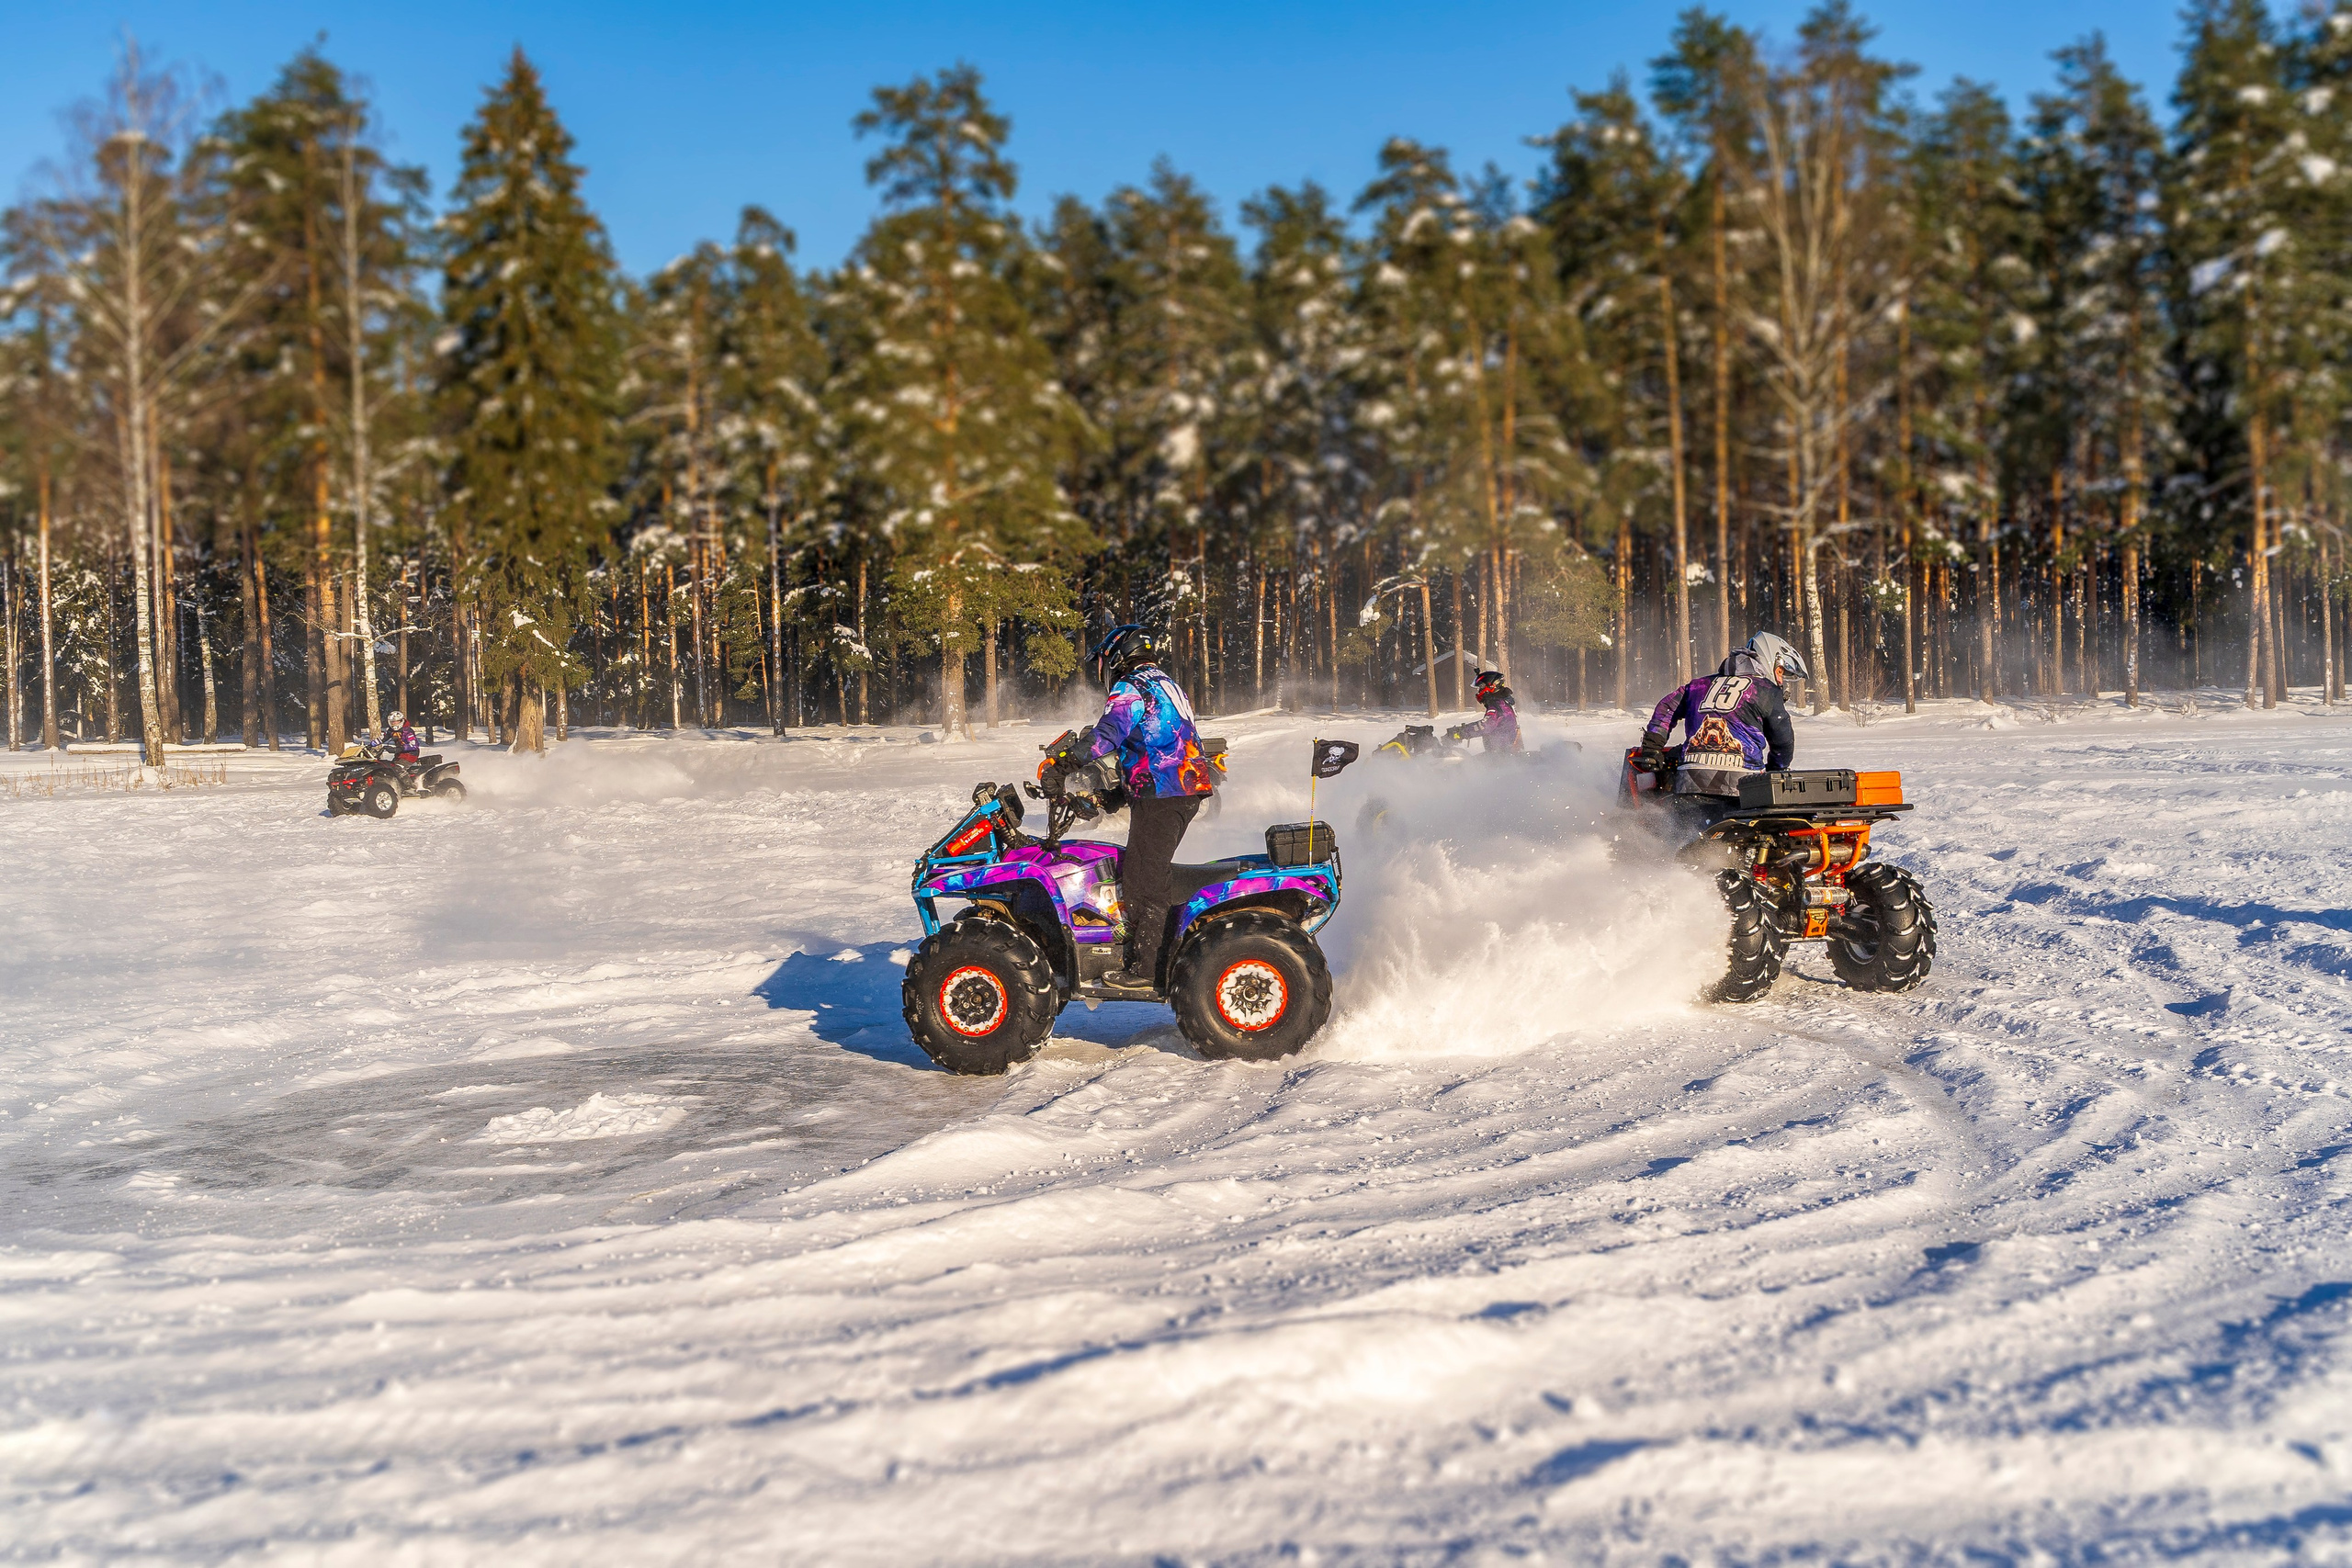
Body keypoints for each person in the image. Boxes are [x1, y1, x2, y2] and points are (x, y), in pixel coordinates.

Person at [1079, 624, 1218, 989]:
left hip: (1166, 792)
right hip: (1176, 787)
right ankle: (1146, 954)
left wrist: (1068, 759)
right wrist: (1118, 795)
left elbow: (1110, 733)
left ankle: (1147, 969)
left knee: (1145, 878)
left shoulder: (1132, 686)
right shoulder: (1168, 684)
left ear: (1118, 657)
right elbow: (1157, 742)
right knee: (1143, 868)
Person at [1640, 631, 1805, 823]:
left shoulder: (1698, 685)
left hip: (1690, 783)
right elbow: (1783, 741)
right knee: (1738, 846)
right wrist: (1776, 770)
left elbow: (1667, 707)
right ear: (1769, 660)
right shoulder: (1766, 691)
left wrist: (1652, 748)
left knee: (1684, 839)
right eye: (1780, 672)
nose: (1781, 680)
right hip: (1740, 787)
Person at [1446, 668, 1523, 754]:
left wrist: (1460, 732)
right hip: (1504, 752)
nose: (1479, 692)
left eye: (1481, 687)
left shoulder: (1497, 705)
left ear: (1491, 686)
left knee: (1462, 763)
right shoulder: (1504, 702)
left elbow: (1486, 726)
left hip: (1501, 755)